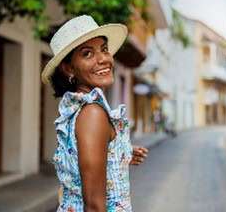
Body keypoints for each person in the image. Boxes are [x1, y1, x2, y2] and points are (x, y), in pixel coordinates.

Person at [41, 15, 149, 212]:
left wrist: (119, 152)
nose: (103, 59)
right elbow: (94, 206)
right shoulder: (92, 113)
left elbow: (76, 162)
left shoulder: (76, 109)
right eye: (88, 54)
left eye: (104, 49)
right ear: (68, 69)